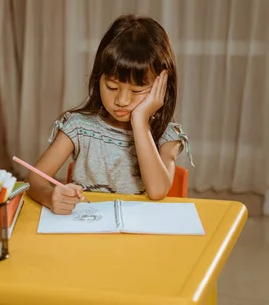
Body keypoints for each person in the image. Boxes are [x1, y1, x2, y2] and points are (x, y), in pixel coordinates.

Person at [26, 14, 193, 215]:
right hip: (88, 233)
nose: (122, 100)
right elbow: (35, 179)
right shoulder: (79, 127)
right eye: (112, 86)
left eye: (136, 91)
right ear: (98, 79)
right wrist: (50, 196)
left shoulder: (167, 135)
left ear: (161, 87)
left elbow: (157, 191)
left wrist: (140, 122)